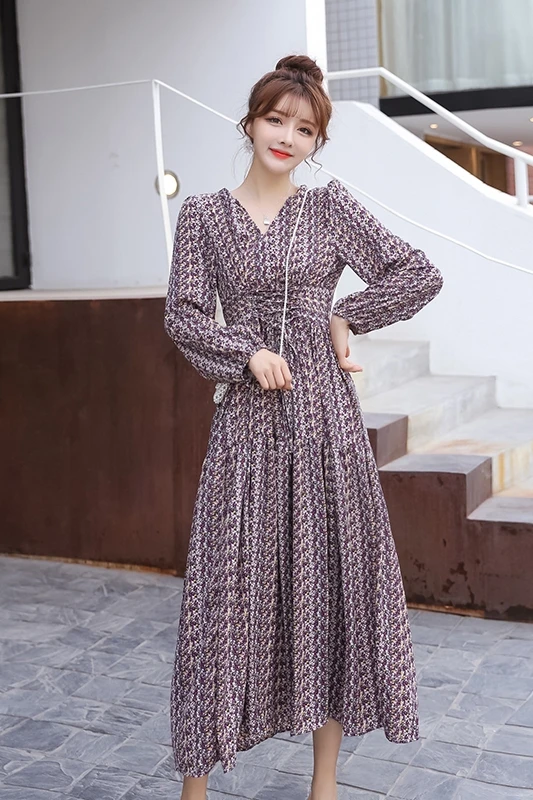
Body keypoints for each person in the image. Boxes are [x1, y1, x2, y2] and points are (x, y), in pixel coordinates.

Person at [164, 54, 443, 800]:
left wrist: (346, 316)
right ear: (250, 123)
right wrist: (245, 353)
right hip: (245, 431)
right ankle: (195, 788)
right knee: (222, 601)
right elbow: (183, 314)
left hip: (325, 426)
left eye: (305, 129)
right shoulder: (203, 217)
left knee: (333, 589)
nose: (286, 137)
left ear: (318, 142)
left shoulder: (328, 210)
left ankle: (324, 786)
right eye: (275, 120)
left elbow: (417, 272)